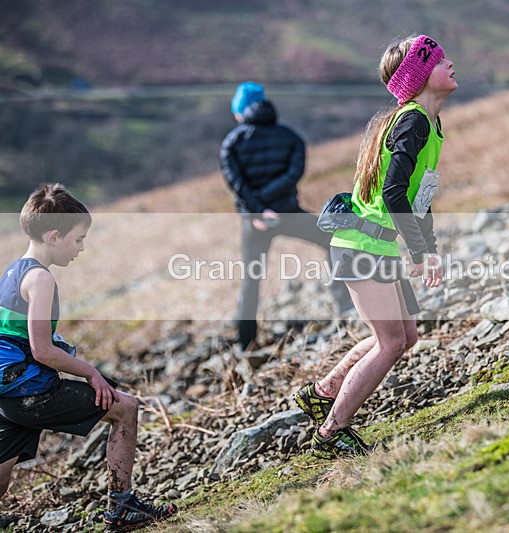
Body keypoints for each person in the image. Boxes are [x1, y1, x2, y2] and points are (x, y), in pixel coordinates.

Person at [293, 34, 456, 458]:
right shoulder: (413, 122)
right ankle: (332, 431)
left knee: (406, 336)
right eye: (438, 61)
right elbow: (394, 192)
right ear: (421, 78)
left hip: (376, 246)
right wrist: (420, 251)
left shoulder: (429, 123)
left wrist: (428, 247)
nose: (449, 64)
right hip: (361, 246)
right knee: (390, 342)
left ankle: (323, 392)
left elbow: (421, 197)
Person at [0, 183, 177, 531]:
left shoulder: (12, 272)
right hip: (29, 391)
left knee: (2, 472)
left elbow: (15, 335)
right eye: (78, 239)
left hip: (7, 390)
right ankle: (121, 507)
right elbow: (41, 350)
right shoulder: (40, 279)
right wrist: (90, 372)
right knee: (125, 408)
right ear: (54, 236)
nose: (81, 248)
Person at [220, 82, 354, 351]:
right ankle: (347, 308)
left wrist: (259, 208)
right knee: (332, 240)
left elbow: (236, 184)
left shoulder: (232, 143)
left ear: (240, 110)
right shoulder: (291, 137)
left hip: (254, 220)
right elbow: (294, 174)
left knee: (251, 277)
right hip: (288, 212)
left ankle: (245, 342)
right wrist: (272, 203)